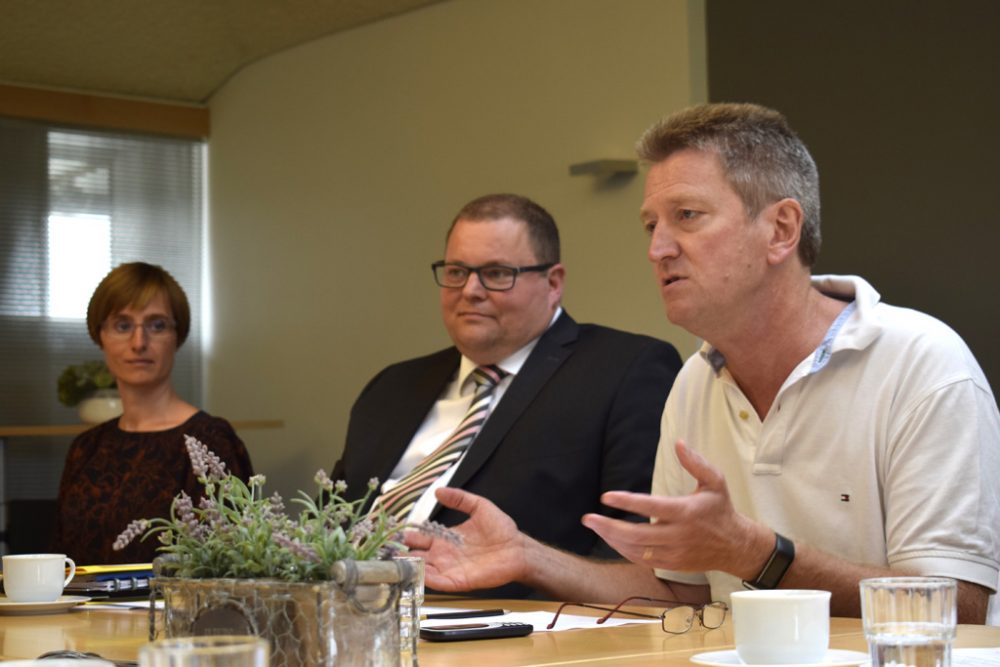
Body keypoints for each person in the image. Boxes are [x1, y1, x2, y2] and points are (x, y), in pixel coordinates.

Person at [406, 104, 1000, 624]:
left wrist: (752, 551)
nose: (657, 248)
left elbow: (954, 607)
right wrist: (528, 556)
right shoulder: (695, 379)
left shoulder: (922, 363)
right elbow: (676, 596)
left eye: (687, 216)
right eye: (651, 225)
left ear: (781, 229)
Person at [331, 193, 683, 597]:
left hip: (497, 629)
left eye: (496, 273)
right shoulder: (391, 388)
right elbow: (329, 517)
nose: (470, 290)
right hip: (346, 616)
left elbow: (634, 548)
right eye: (457, 271)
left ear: (553, 283)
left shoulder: (624, 369)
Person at [53, 262, 253, 564]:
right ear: (100, 336)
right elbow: (62, 564)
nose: (139, 343)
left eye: (156, 325)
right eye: (122, 325)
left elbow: (232, 572)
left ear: (177, 336)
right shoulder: (85, 449)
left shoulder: (210, 442)